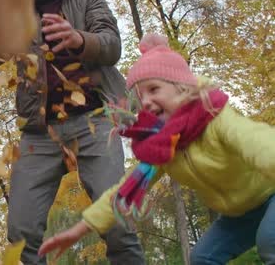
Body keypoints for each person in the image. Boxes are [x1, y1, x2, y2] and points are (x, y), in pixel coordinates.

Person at [0, 0, 144, 264]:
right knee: (21, 231)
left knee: (115, 218)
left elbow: (112, 45)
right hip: (40, 133)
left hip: (96, 122)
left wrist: (78, 39)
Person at [39, 34, 275, 264]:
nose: (147, 101)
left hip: (270, 194)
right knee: (202, 258)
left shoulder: (214, 117)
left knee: (269, 240)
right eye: (141, 97)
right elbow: (124, 192)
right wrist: (80, 229)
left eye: (154, 89)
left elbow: (257, 142)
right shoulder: (162, 147)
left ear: (182, 87)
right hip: (239, 214)